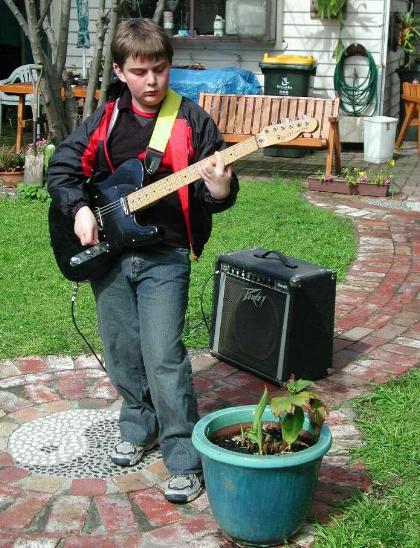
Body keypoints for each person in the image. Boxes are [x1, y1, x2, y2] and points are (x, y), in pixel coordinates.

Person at [47, 18, 239, 503]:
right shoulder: (106, 119)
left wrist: (218, 187)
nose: (151, 81)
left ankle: (182, 456)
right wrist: (82, 209)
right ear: (120, 71)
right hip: (111, 255)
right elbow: (64, 169)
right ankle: (138, 426)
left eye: (160, 69)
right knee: (122, 352)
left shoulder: (193, 121)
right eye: (139, 71)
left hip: (165, 255)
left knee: (164, 356)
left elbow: (217, 192)